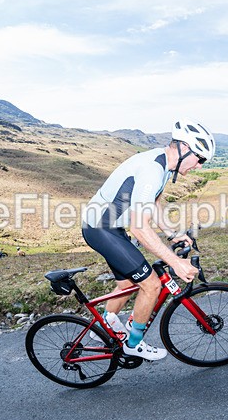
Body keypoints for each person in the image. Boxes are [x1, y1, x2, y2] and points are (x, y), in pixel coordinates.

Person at [81, 119, 215, 360]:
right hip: (101, 229)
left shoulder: (163, 162)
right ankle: (133, 344)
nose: (200, 166)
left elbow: (154, 203)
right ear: (185, 148)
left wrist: (172, 233)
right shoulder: (153, 169)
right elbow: (140, 228)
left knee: (128, 284)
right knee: (152, 285)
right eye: (200, 159)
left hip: (109, 226)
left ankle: (102, 329)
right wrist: (175, 262)